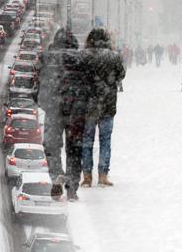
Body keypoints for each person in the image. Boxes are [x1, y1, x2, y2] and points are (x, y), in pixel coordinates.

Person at [39, 28, 90, 201]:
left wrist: (46, 104)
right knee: (75, 149)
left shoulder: (46, 58)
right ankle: (72, 188)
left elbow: (36, 86)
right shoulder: (82, 60)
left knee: (52, 148)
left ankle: (56, 176)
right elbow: (90, 86)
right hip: (76, 112)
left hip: (54, 110)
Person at [81, 28, 126, 188]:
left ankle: (86, 176)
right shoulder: (113, 57)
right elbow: (121, 75)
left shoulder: (84, 56)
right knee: (105, 141)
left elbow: (78, 77)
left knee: (87, 141)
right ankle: (103, 175)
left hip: (88, 106)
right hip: (107, 105)